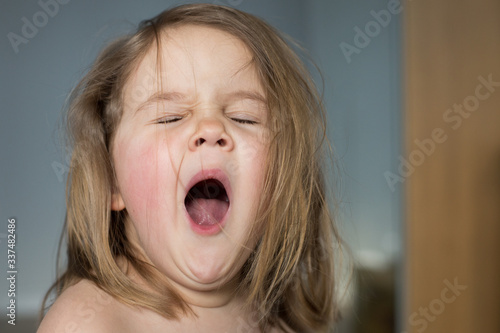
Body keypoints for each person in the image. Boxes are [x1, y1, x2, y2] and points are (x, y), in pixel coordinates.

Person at [37, 4, 344, 332]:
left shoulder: (279, 324)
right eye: (170, 117)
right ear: (112, 181)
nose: (211, 128)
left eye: (244, 117)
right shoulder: (88, 322)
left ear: (281, 178)